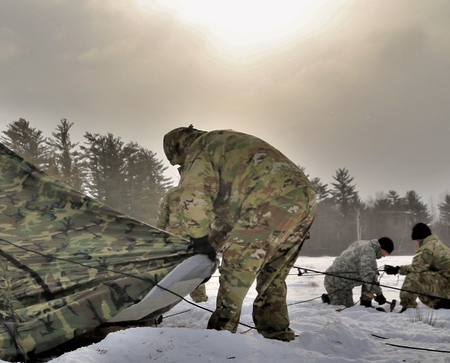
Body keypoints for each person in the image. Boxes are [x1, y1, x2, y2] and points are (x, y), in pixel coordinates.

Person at [162, 126, 316, 341]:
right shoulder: (224, 142)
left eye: (179, 163)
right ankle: (276, 332)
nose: (182, 167)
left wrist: (199, 241)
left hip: (268, 201)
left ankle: (220, 337)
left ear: (178, 149)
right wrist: (212, 244)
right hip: (303, 199)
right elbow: (230, 209)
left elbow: (194, 197)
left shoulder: (200, 148)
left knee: (235, 269)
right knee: (273, 275)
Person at [383, 223, 450, 312]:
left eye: (415, 241)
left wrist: (396, 269)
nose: (415, 244)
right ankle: (442, 306)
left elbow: (417, 268)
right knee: (422, 285)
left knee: (413, 277)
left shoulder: (428, 248)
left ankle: (407, 309)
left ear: (420, 239)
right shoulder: (437, 244)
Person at [158, 186, 208, 302]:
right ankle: (164, 301)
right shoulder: (174, 193)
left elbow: (162, 217)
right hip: (182, 239)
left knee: (193, 269)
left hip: (188, 238)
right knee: (188, 269)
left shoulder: (201, 191)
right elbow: (162, 215)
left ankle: (199, 300)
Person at [322, 237, 394, 308]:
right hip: (337, 283)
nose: (385, 255)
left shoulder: (363, 244)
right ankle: (331, 299)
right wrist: (379, 295)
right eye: (387, 253)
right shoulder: (368, 252)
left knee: (372, 274)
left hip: (339, 280)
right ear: (382, 247)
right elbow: (368, 277)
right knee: (345, 308)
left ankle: (366, 303)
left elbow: (369, 274)